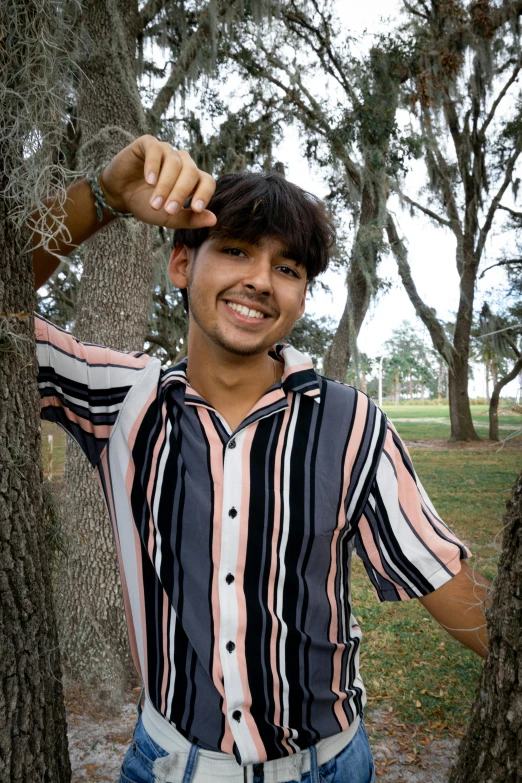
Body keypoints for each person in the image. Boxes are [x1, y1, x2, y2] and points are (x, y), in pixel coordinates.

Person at [32, 136, 490, 783]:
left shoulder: (351, 421)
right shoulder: (121, 401)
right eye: (238, 250)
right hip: (173, 766)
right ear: (183, 264)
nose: (259, 279)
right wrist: (104, 196)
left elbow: (438, 572)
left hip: (330, 766)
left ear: (302, 295)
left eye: (288, 267)